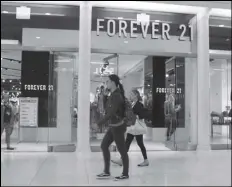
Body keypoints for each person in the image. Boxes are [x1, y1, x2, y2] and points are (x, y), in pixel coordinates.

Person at [93, 74, 129, 180]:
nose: (106, 83)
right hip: (113, 126)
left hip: (118, 127)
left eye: (107, 81)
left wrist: (98, 124)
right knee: (104, 146)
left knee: (122, 151)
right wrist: (104, 97)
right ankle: (106, 171)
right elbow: (106, 110)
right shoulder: (112, 95)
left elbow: (110, 114)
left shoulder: (117, 96)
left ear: (113, 82)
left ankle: (125, 174)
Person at [111, 89, 149, 167]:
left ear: (136, 95)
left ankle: (145, 160)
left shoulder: (139, 104)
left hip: (136, 127)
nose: (130, 96)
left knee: (140, 144)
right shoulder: (133, 104)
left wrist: (136, 116)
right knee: (128, 143)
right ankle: (122, 160)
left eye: (131, 94)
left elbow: (144, 114)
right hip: (133, 127)